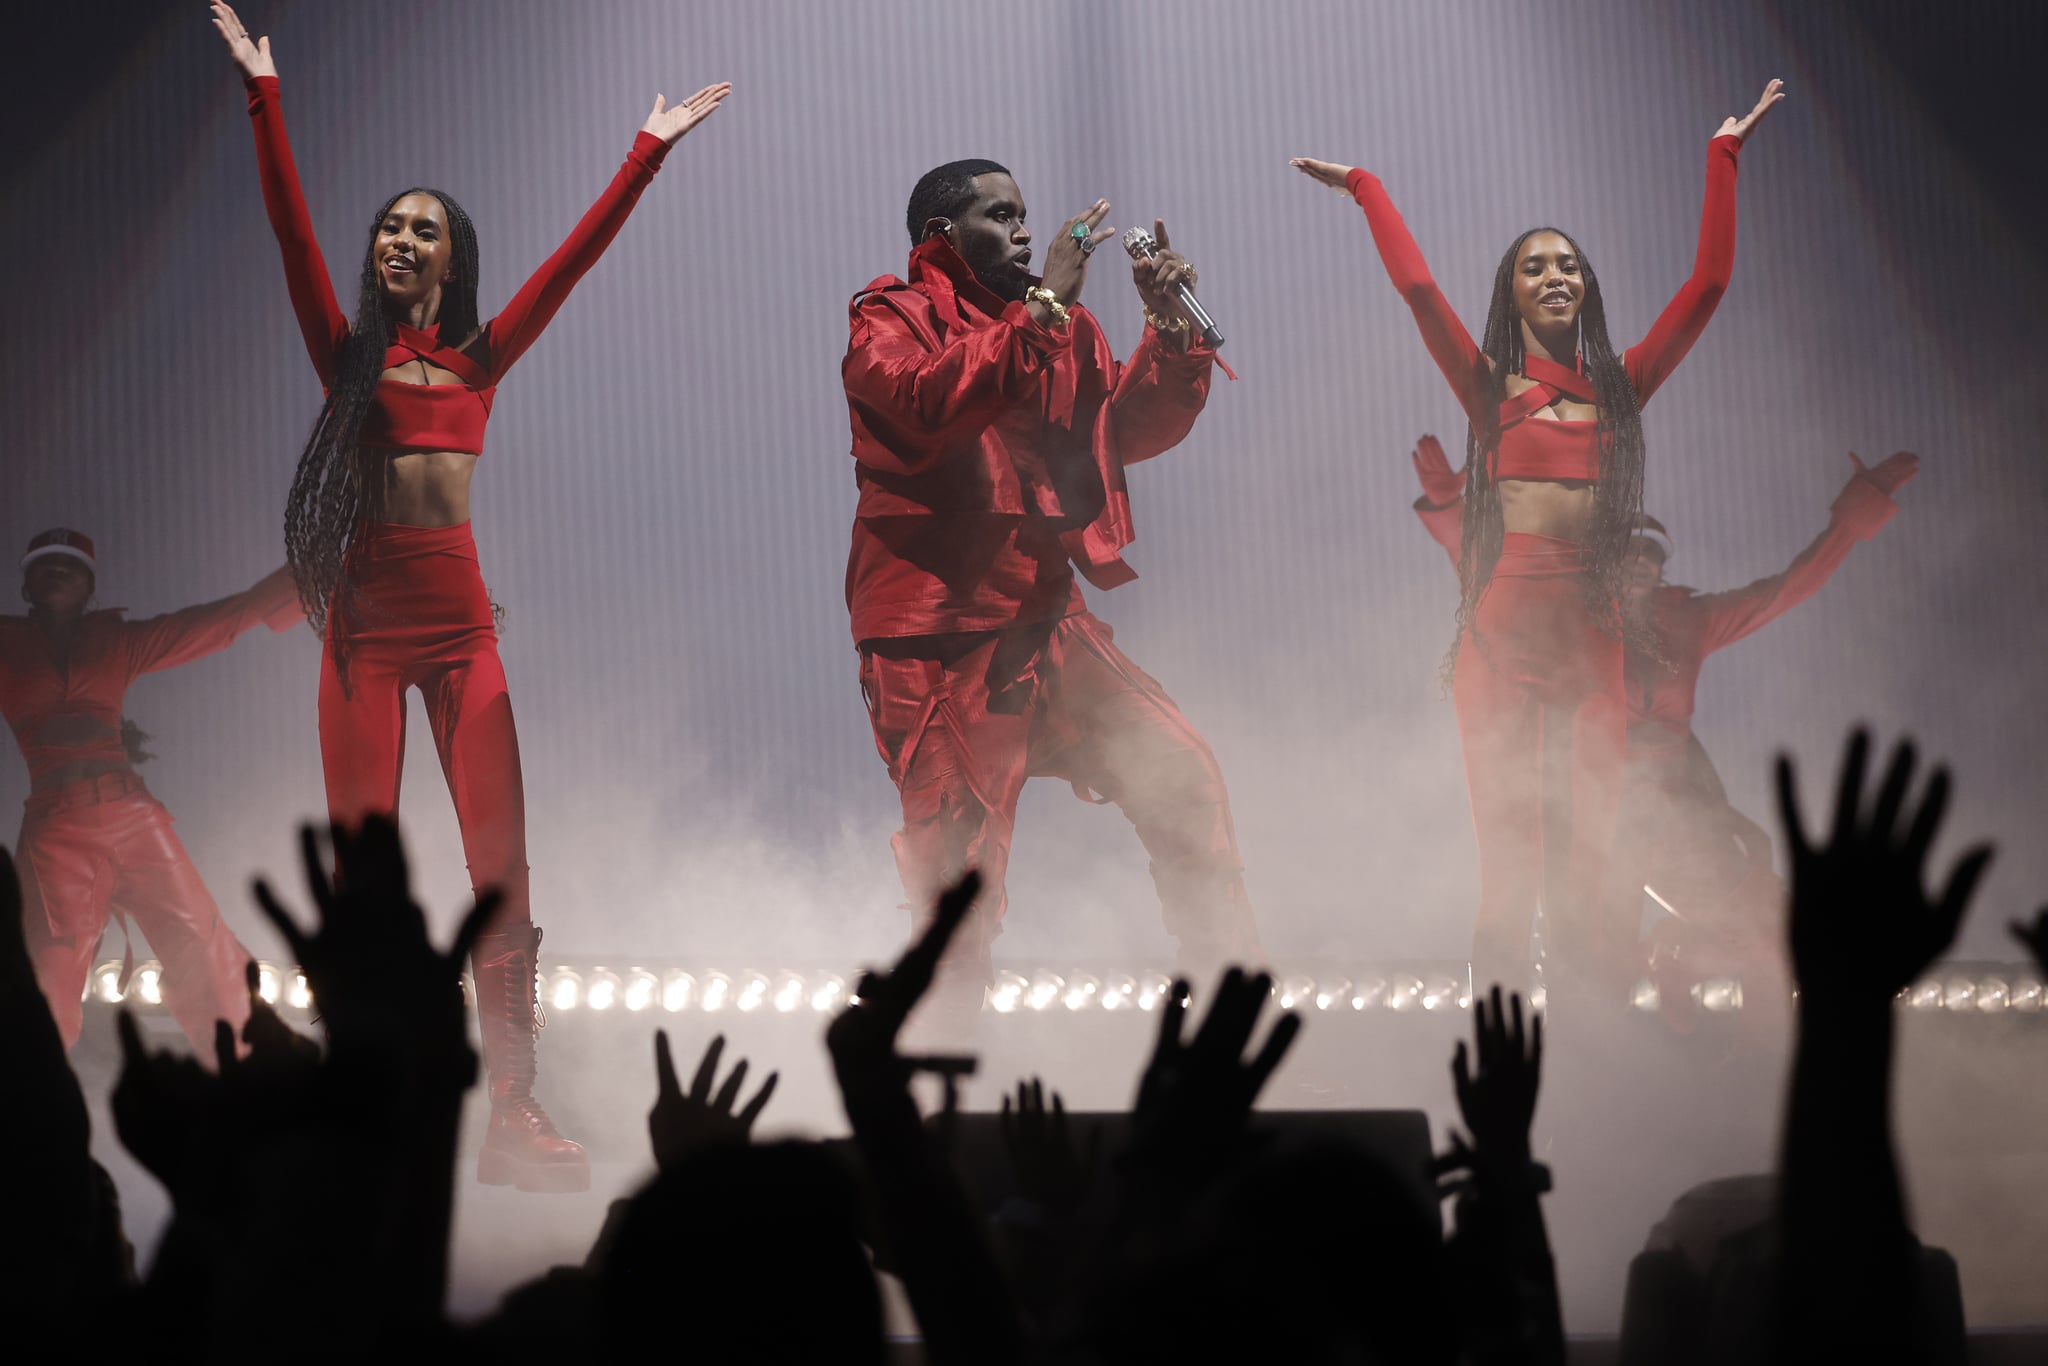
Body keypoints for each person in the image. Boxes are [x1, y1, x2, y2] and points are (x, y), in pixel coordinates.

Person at [210, 1, 729, 1191]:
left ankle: (510, 1105)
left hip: (462, 634)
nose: (397, 238)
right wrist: (264, 91)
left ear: (450, 256)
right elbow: (292, 237)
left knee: (505, 870)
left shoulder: (482, 357)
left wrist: (643, 153)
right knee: (363, 873)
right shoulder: (349, 357)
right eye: (388, 226)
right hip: (365, 637)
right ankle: (362, 1104)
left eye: (420, 229)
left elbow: (575, 261)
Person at [1292, 80, 1784, 990]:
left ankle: (1603, 1079)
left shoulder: (1623, 388)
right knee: (1509, 881)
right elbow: (1416, 287)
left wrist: (1725, 153)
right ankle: (1502, 1072)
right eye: (1534, 266)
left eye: (1569, 264)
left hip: (1595, 647)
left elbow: (1709, 285)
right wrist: (1366, 185)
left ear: (1586, 287)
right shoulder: (1489, 392)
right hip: (1504, 639)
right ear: (1511, 294)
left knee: (1595, 882)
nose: (1556, 273)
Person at [841, 158, 1262, 1012]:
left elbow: (1115, 436)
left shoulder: (1063, 325)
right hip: (942, 634)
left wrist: (1166, 329)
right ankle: (943, 1092)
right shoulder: (891, 318)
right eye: (1002, 215)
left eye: (1026, 214)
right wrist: (1042, 310)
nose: (1027, 231)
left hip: (1046, 617)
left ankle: (1231, 1038)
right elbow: (925, 406)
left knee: (1181, 776)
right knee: (958, 883)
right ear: (942, 236)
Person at [1409, 436, 1916, 996]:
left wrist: (1857, 510)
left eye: (1652, 554)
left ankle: (1843, 989)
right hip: (1595, 816)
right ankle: (1586, 1041)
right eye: (1628, 551)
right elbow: (1488, 587)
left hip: (1674, 812)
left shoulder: (1690, 622)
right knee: (1594, 966)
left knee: (1766, 922)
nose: (1642, 563)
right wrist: (1448, 507)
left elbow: (1789, 588)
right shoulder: (1567, 619)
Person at [0, 528, 299, 1052]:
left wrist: (304, 578)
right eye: (44, 564)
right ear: (26, 583)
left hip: (133, 816)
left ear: (91, 583)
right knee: (44, 977)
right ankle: (28, 1112)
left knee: (206, 951)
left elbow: (218, 623)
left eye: (70, 563)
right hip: (55, 833)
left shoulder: (118, 642)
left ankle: (257, 1084)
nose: (57, 570)